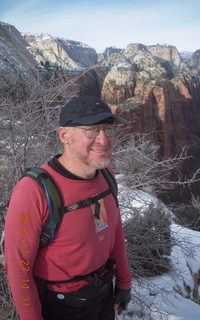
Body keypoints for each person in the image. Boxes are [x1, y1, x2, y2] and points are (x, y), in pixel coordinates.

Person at [4, 95, 132, 320]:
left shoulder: (106, 177)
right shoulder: (33, 192)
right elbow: (18, 269)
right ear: (64, 135)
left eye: (108, 129)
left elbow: (111, 231)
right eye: (91, 130)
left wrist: (124, 281)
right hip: (60, 306)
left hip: (103, 296)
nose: (104, 140)